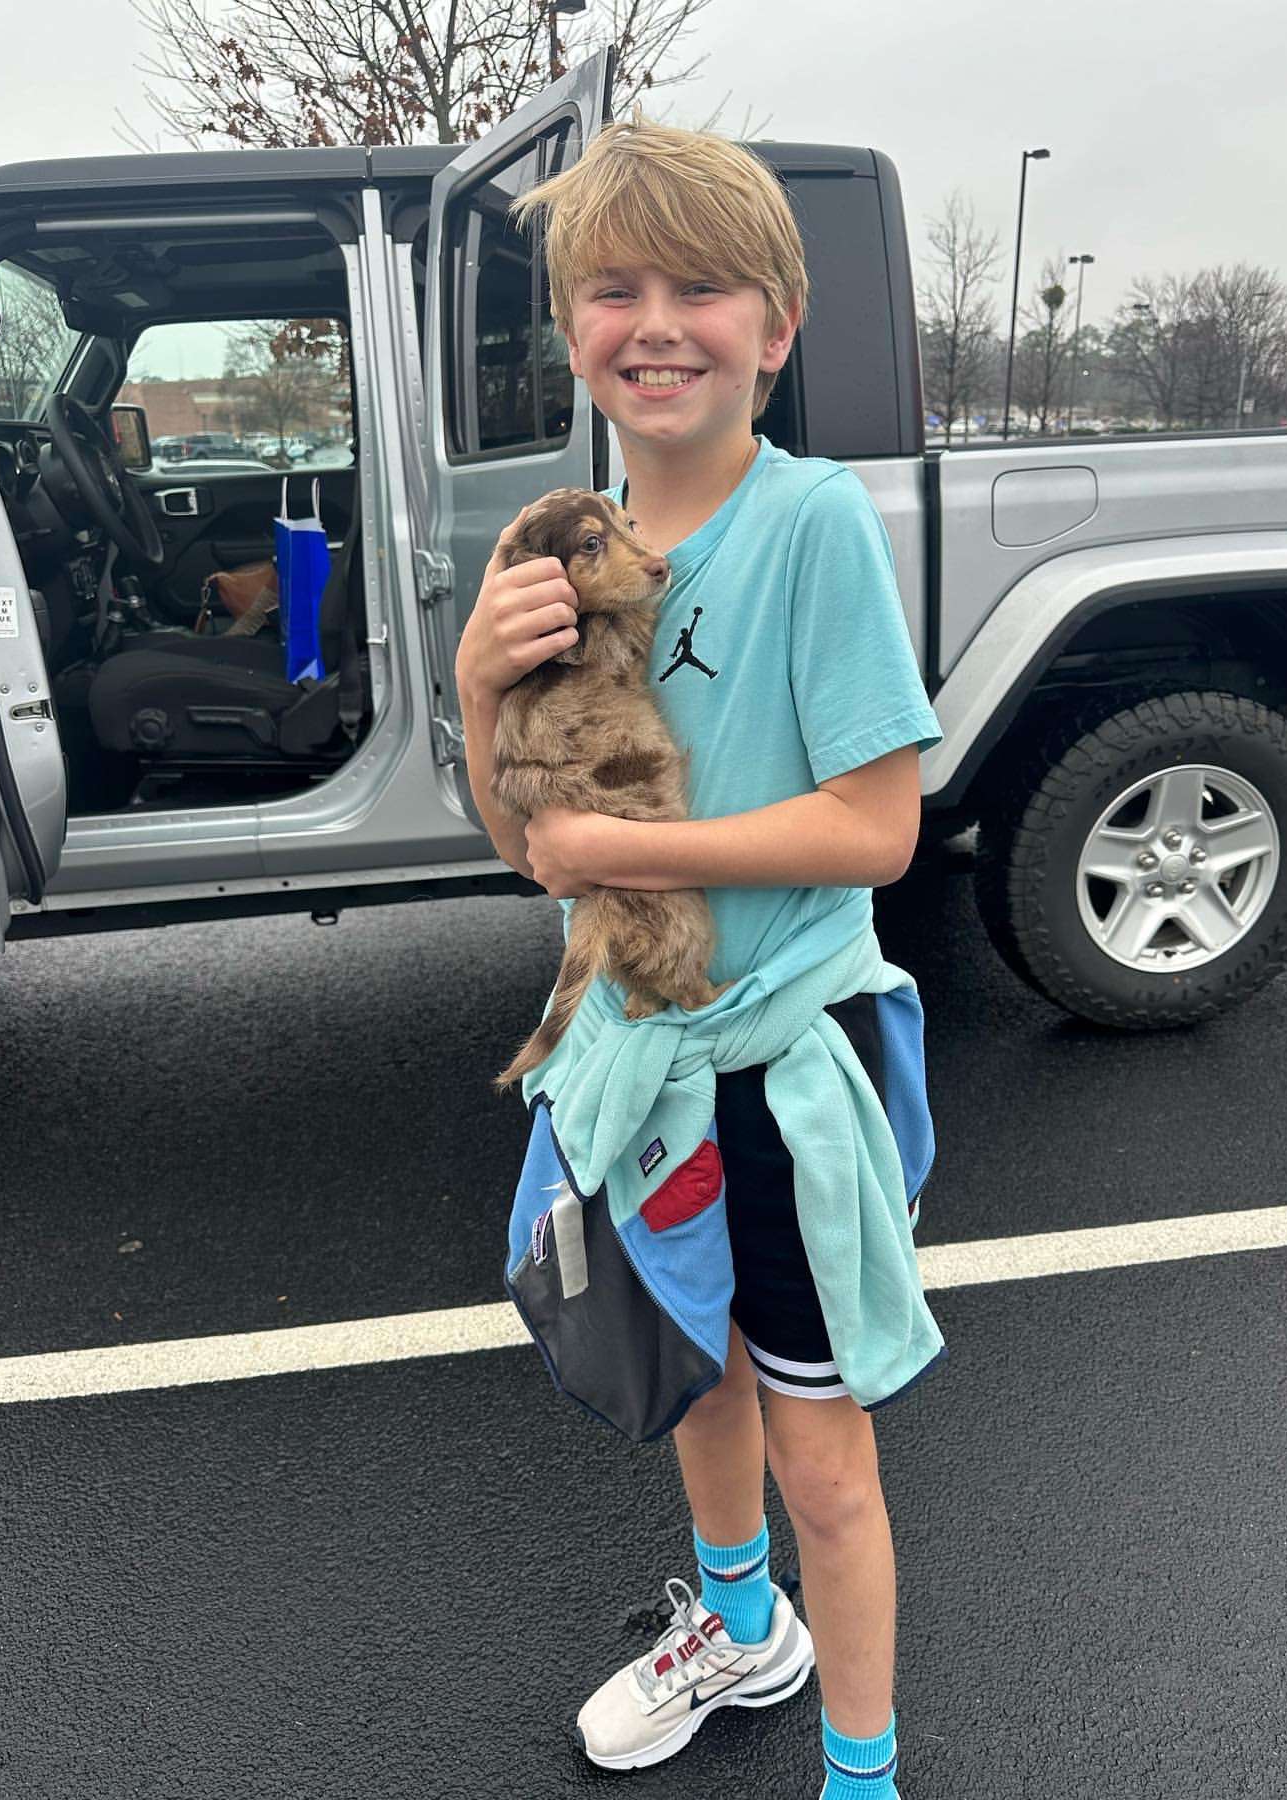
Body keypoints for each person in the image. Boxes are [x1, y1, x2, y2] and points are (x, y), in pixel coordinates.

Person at [454, 105, 945, 1800]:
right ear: (575, 329)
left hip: (780, 1076)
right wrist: (471, 682)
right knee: (700, 1375)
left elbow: (878, 828)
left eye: (703, 289)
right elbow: (530, 842)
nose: (655, 324)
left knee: (826, 1463)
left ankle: (864, 1777)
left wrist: (629, 852)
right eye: (614, 288)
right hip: (644, 1064)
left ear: (775, 331)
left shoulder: (808, 526)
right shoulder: (561, 550)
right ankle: (744, 1634)